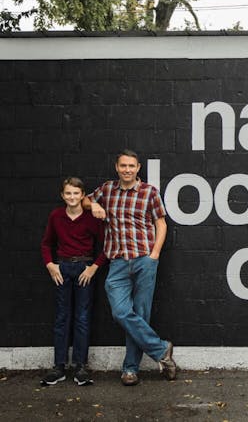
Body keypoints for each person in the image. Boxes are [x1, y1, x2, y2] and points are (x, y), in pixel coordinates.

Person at [84, 149, 176, 386]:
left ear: (138, 169)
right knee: (121, 312)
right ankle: (161, 350)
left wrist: (154, 255)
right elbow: (85, 199)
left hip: (144, 259)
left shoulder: (149, 192)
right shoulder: (107, 189)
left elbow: (161, 224)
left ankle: (130, 369)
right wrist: (92, 206)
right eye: (123, 166)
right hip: (118, 263)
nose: (127, 170)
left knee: (141, 314)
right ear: (117, 167)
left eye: (131, 166)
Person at [40, 177, 106, 386]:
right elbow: (46, 244)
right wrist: (51, 265)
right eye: (68, 193)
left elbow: (106, 247)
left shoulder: (91, 218)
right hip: (62, 268)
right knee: (62, 317)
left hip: (84, 269)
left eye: (76, 193)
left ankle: (80, 366)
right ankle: (59, 366)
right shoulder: (56, 216)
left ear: (82, 195)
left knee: (82, 317)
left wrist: (93, 268)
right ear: (62, 195)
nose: (72, 197)